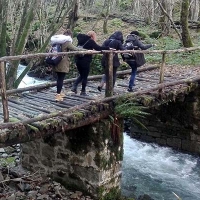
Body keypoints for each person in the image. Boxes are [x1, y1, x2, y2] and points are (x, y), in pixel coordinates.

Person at [71, 31, 110, 96]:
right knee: (85, 76)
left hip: (78, 60)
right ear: (93, 36)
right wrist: (108, 48)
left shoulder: (81, 41)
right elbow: (98, 48)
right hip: (85, 61)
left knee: (81, 75)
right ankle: (83, 91)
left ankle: (74, 86)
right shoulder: (90, 41)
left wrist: (75, 61)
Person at [54, 29, 85, 101]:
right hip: (62, 62)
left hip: (56, 61)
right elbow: (75, 49)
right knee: (61, 79)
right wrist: (85, 50)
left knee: (59, 78)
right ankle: (58, 95)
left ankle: (59, 92)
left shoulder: (58, 41)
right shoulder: (67, 42)